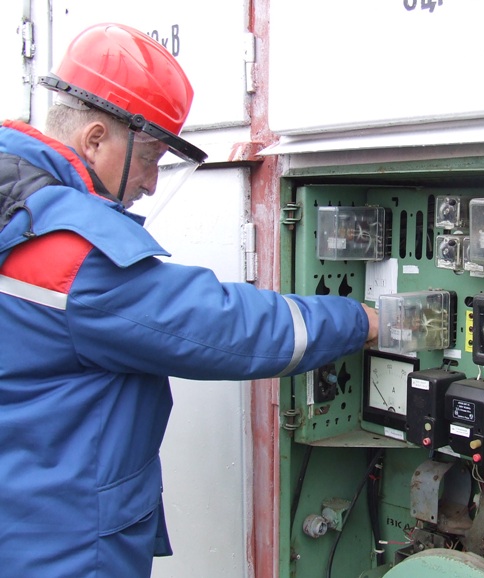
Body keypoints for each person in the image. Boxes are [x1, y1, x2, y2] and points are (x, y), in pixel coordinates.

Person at [0, 22, 378, 577]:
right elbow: (222, 328)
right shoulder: (72, 258)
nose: (152, 183)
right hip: (66, 547)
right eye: (151, 158)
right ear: (96, 139)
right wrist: (360, 320)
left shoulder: (15, 209)